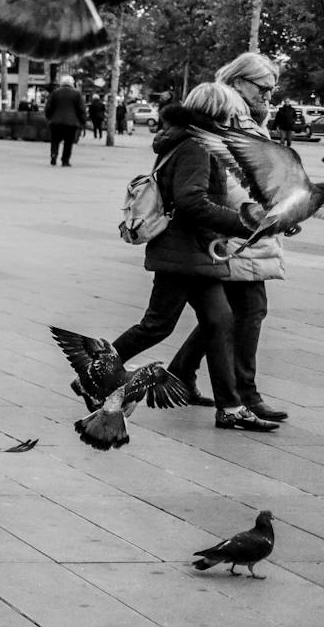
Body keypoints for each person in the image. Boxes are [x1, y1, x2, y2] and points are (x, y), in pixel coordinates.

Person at [108, 79, 280, 433]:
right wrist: (242, 224)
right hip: (183, 253)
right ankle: (95, 370)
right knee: (157, 325)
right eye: (232, 113)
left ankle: (231, 408)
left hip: (194, 253)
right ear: (219, 113)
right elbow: (191, 201)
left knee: (219, 321)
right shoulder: (196, 147)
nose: (235, 120)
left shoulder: (189, 139)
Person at [150, 55, 290, 425]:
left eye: (272, 89)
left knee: (223, 314)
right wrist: (256, 218)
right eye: (263, 88)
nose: (268, 96)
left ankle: (182, 373)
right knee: (246, 310)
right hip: (235, 232)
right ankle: (243, 395)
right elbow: (226, 181)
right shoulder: (226, 115)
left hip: (240, 230)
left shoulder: (246, 117)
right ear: (239, 81)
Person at [44, 74, 87, 167]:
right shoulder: (76, 94)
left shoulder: (55, 92)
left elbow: (49, 107)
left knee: (55, 140)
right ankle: (65, 160)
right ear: (72, 83)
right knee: (68, 142)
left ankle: (54, 154)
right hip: (71, 122)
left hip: (56, 121)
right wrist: (83, 121)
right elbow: (81, 109)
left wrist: (49, 117)